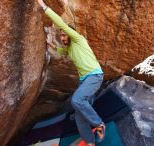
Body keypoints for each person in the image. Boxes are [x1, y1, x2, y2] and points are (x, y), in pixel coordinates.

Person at [37, 0, 105, 145]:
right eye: (60, 36)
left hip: (94, 76)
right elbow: (61, 50)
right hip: (84, 81)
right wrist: (48, 43)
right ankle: (90, 142)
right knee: (80, 117)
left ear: (70, 34)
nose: (62, 38)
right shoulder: (69, 48)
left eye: (63, 35)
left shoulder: (78, 39)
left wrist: (44, 7)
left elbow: (61, 24)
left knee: (77, 100)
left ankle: (99, 123)